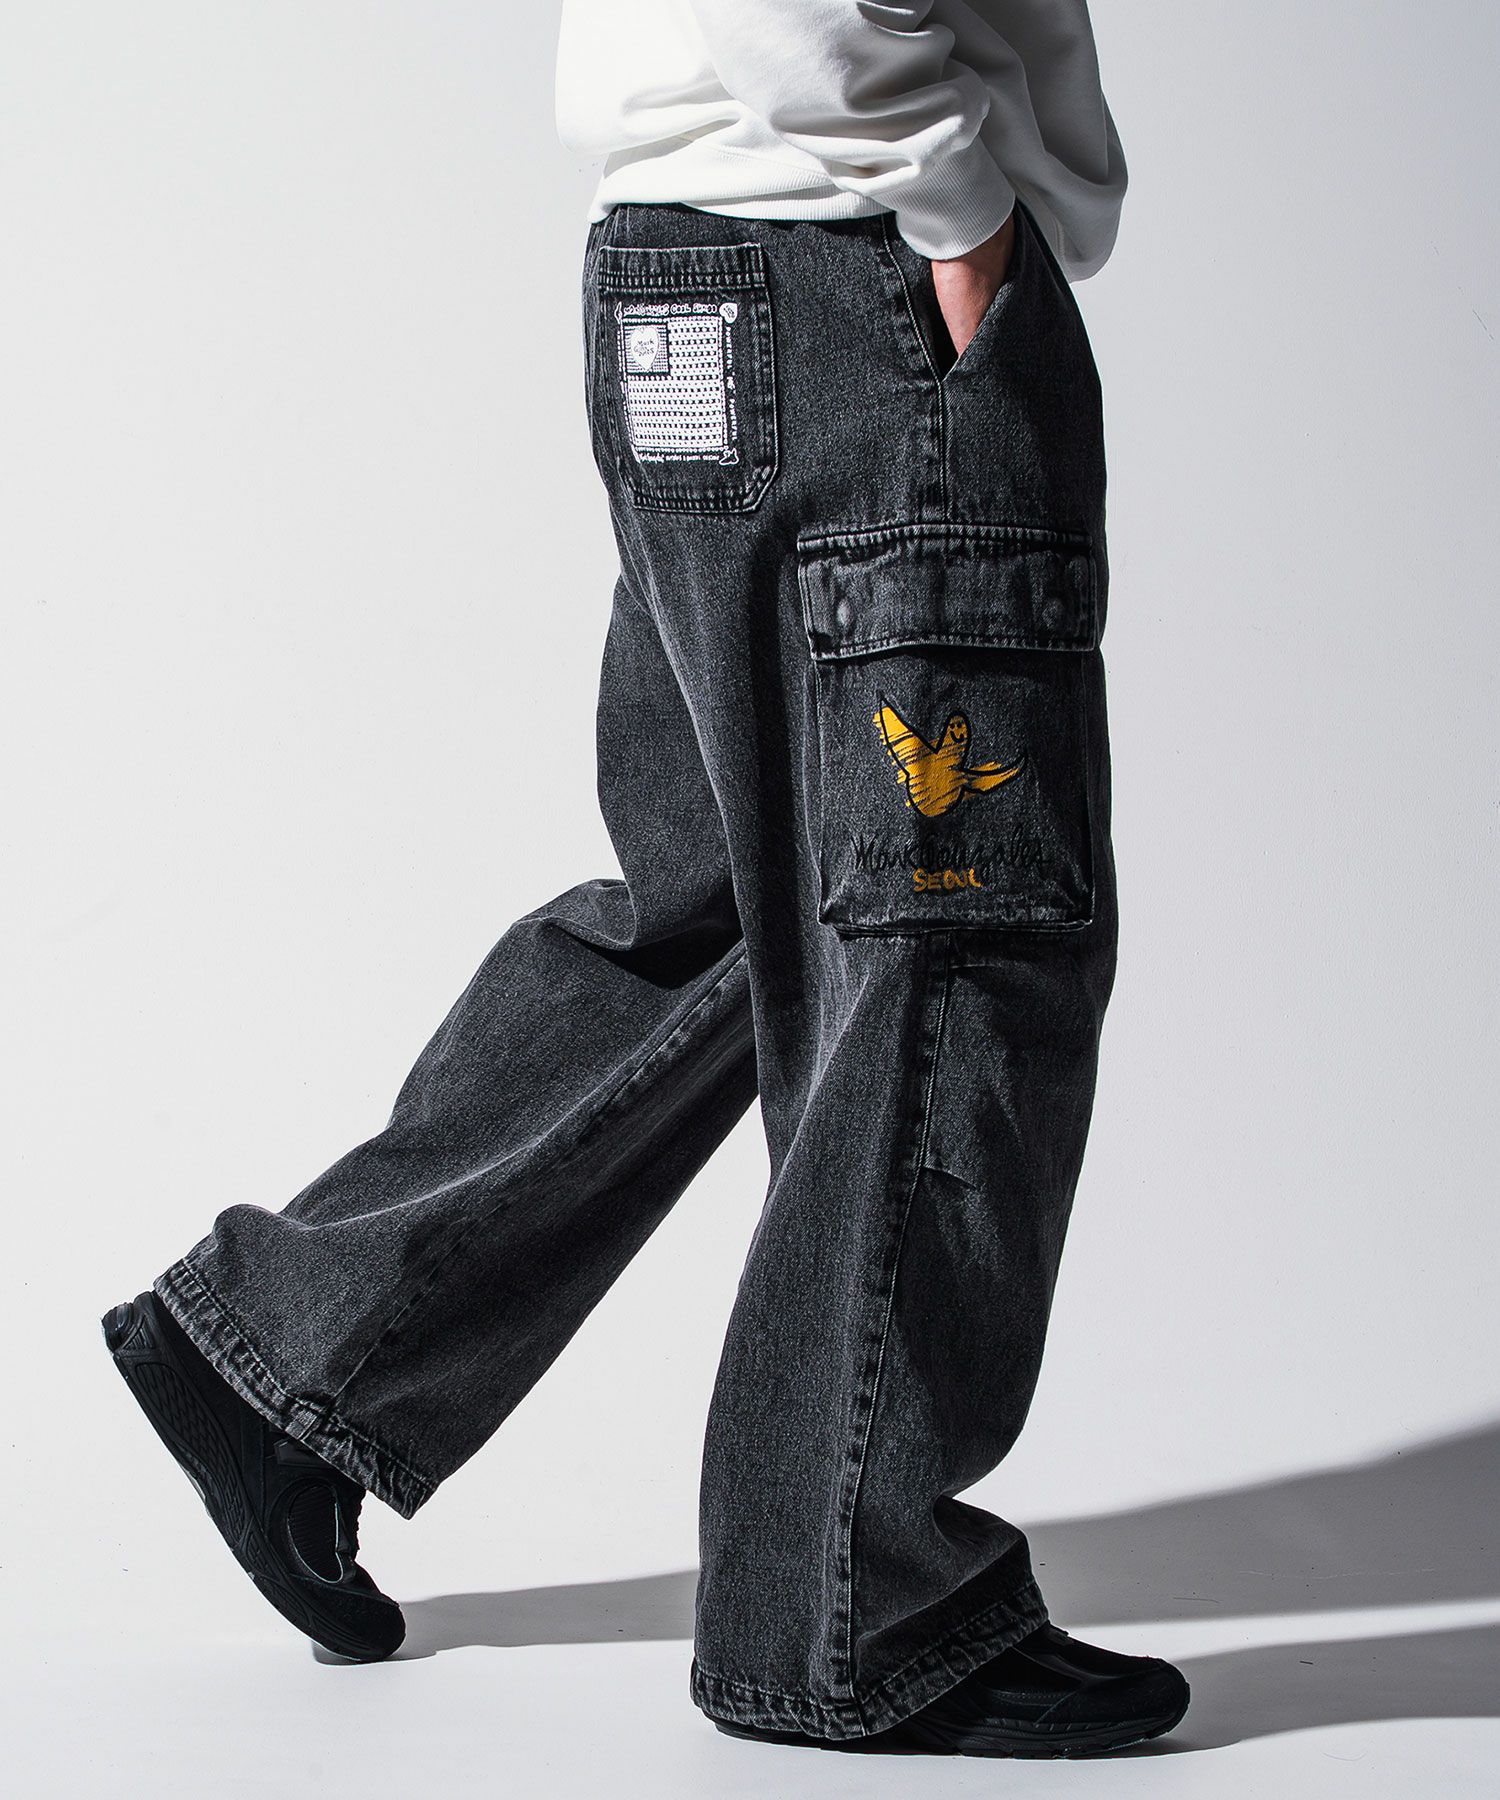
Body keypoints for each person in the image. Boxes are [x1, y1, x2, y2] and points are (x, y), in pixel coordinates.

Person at [103, 0, 1191, 1758]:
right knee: (948, 931)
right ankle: (857, 1604)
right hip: (857, 276)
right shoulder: (904, 221)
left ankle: (297, 1364)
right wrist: (958, 215)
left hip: (700, 275)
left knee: (728, 907)